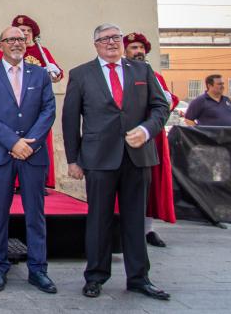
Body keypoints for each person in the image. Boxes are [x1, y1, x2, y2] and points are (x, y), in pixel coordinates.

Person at [62, 23, 170, 301]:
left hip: (137, 157)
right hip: (99, 158)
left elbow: (160, 106)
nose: (111, 42)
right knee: (99, 219)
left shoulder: (142, 71)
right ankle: (96, 276)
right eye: (105, 39)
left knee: (135, 220)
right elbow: (71, 120)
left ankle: (138, 278)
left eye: (116, 38)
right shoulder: (81, 74)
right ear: (95, 44)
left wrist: (147, 130)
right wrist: (73, 159)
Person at [0, 26, 57, 294]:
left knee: (36, 213)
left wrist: (29, 143)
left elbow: (48, 110)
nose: (16, 44)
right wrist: (13, 142)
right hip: (0, 154)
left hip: (33, 153)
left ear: (26, 43)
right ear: (0, 45)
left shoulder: (40, 73)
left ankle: (38, 269)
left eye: (20, 39)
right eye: (10, 40)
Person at [0, 15, 61, 192]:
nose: (24, 34)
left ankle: (40, 181)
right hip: (12, 107)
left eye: (27, 32)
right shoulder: (5, 52)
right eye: (21, 31)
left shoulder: (41, 51)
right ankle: (14, 183)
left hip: (35, 108)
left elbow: (57, 72)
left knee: (39, 141)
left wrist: (54, 72)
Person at [123, 32, 177, 247]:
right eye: (134, 48)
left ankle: (148, 229)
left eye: (141, 48)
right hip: (128, 135)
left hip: (151, 136)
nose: (139, 52)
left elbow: (166, 103)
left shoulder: (154, 76)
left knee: (152, 185)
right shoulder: (120, 75)